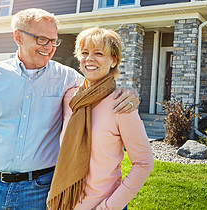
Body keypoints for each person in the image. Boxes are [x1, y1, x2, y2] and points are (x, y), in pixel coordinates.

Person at [0, 8, 139, 210]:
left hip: (39, 191)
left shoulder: (68, 78)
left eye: (54, 40)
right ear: (18, 37)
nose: (49, 47)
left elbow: (100, 86)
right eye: (42, 39)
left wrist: (129, 91)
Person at [47, 27, 153, 210]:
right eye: (85, 52)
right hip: (63, 202)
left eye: (98, 53)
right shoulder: (69, 97)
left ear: (113, 60)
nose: (90, 58)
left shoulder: (121, 104)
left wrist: (109, 207)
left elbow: (143, 163)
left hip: (101, 205)